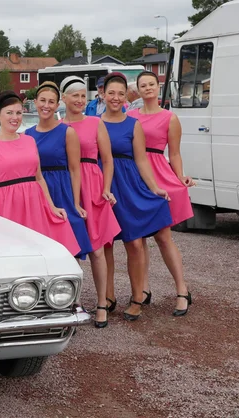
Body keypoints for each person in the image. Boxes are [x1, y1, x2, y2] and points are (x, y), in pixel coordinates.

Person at [0, 90, 80, 255]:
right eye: (9, 113)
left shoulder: (29, 140)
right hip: (7, 208)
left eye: (19, 113)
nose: (15, 117)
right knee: (13, 253)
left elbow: (39, 178)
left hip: (35, 205)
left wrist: (52, 206)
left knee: (41, 251)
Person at [100, 72, 172, 321]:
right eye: (111, 93)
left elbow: (142, 160)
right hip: (103, 186)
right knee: (105, 244)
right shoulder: (94, 122)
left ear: (126, 97)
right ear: (103, 94)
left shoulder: (133, 124)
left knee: (134, 243)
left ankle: (137, 298)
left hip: (128, 186)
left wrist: (154, 188)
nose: (116, 98)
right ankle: (107, 297)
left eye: (121, 93)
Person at [127, 71, 194, 316]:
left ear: (158, 87)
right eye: (143, 85)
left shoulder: (170, 118)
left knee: (163, 237)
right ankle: (143, 290)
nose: (147, 88)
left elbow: (174, 153)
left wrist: (180, 177)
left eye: (151, 84)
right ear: (138, 90)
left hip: (158, 175)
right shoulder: (130, 116)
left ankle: (182, 290)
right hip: (134, 177)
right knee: (138, 239)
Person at [60, 75, 121, 328]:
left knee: (97, 248)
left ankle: (102, 303)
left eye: (84, 95)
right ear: (64, 98)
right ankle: (69, 303)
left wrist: (105, 188)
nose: (80, 100)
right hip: (67, 187)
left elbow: (107, 160)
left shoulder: (96, 123)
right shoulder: (57, 125)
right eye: (75, 95)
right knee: (70, 250)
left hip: (93, 186)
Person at [25, 81, 92, 261]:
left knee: (69, 240)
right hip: (37, 191)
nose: (46, 106)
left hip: (61, 189)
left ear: (57, 105)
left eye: (51, 102)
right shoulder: (27, 134)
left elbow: (75, 169)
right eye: (42, 101)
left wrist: (76, 203)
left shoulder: (67, 132)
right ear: (35, 102)